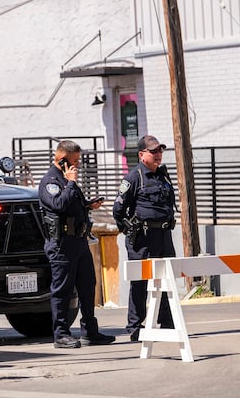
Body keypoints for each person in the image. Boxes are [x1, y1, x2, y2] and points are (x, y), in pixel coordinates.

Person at [39, 140, 115, 348]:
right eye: (74, 161)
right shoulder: (50, 181)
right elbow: (58, 205)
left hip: (79, 242)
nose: (77, 166)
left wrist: (89, 205)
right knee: (62, 290)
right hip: (62, 244)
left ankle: (90, 331)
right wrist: (71, 182)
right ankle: (61, 334)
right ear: (62, 160)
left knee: (88, 286)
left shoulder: (65, 180)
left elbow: (72, 205)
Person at [112, 135, 176, 342]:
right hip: (143, 239)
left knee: (166, 279)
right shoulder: (134, 177)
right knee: (139, 283)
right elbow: (118, 210)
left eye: (160, 151)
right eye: (153, 151)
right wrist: (130, 231)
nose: (158, 155)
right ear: (141, 155)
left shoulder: (163, 176)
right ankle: (135, 326)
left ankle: (166, 322)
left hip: (164, 237)